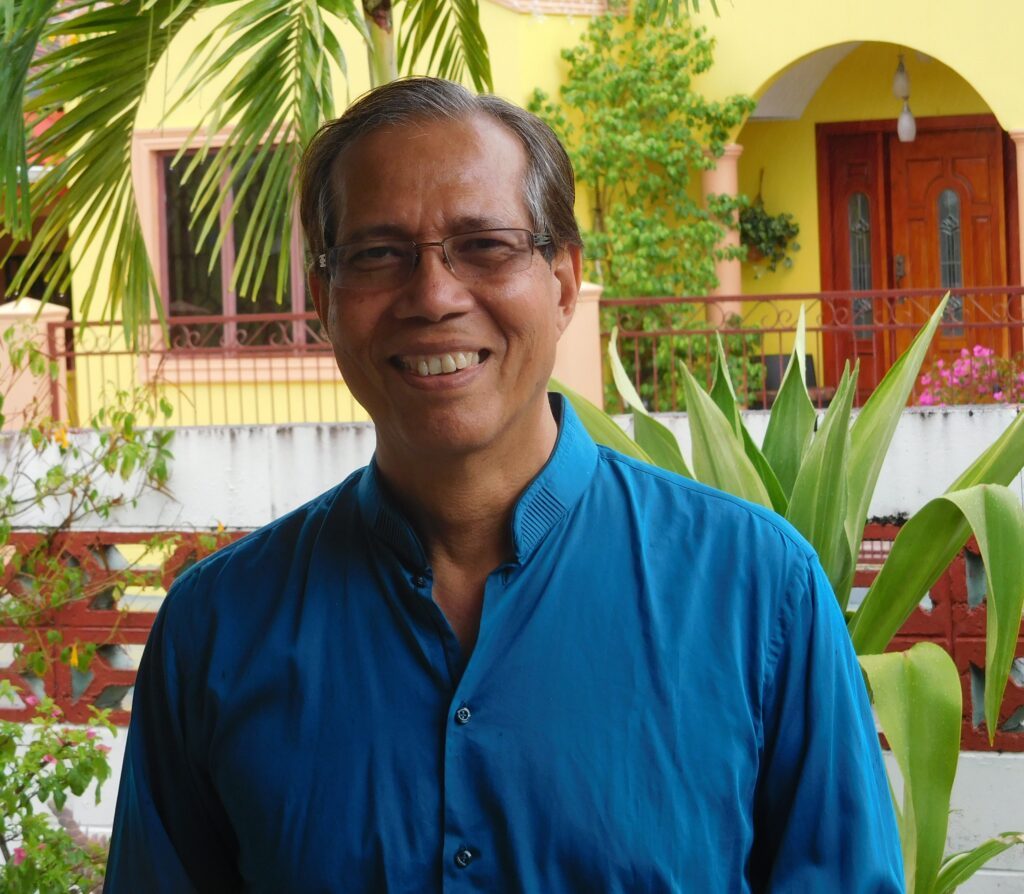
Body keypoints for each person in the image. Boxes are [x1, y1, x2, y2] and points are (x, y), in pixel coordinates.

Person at [106, 77, 903, 892]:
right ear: (325, 300)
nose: (434, 296)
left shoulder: (757, 592)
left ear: (564, 283)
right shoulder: (217, 629)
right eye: (378, 255)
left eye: (486, 245)